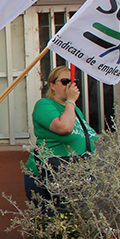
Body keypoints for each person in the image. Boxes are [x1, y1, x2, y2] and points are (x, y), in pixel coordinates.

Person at [24, 66, 96, 202]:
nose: (70, 85)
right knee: (53, 219)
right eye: (65, 81)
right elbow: (64, 127)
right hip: (49, 175)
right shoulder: (44, 105)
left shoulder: (75, 110)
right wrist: (71, 101)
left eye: (73, 82)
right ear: (52, 85)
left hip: (74, 176)